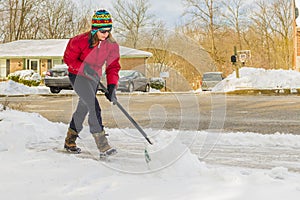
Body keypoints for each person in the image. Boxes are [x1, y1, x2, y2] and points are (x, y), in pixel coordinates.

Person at [63, 9, 120, 158]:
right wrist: (84, 67)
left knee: (83, 107)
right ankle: (103, 145)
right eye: (102, 31)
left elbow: (113, 67)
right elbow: (69, 59)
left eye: (108, 30)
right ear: (94, 29)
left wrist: (112, 87)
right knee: (93, 105)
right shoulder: (78, 41)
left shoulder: (112, 45)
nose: (105, 34)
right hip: (78, 75)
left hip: (94, 78)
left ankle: (70, 140)